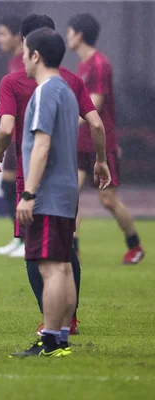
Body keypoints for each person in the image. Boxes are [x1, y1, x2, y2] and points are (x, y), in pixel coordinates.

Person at [0, 14, 111, 336]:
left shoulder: (20, 83)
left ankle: (52, 325)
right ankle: (69, 320)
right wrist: (101, 160)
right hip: (68, 178)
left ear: (29, 46)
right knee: (66, 251)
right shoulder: (70, 81)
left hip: (36, 179)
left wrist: (1, 155)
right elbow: (97, 123)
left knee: (39, 258)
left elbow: (8, 128)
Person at [10, 27, 84, 356]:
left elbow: (41, 145)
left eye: (25, 50)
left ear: (35, 55)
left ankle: (50, 340)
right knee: (64, 266)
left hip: (48, 194)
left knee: (51, 268)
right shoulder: (67, 91)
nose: (22, 57)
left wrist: (28, 194)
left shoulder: (44, 92)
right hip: (67, 193)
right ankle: (62, 338)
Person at [67, 13, 145, 264]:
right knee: (69, 195)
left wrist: (65, 123)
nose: (67, 36)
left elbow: (96, 105)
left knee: (108, 199)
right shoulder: (82, 64)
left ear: (79, 34)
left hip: (101, 142)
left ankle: (135, 246)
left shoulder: (100, 64)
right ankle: (72, 250)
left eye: (69, 31)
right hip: (81, 142)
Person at [0, 15, 25, 257]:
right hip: (16, 135)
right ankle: (20, 237)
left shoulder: (25, 61)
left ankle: (28, 239)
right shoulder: (13, 62)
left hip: (25, 135)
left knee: (21, 187)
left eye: (3, 33)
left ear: (17, 36)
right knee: (8, 186)